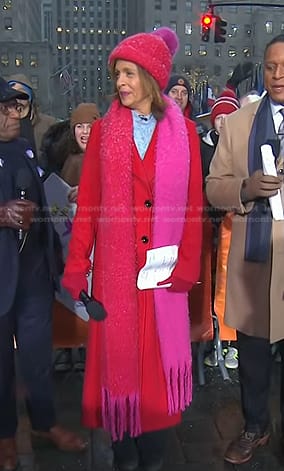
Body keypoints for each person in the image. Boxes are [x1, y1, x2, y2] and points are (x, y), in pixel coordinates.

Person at [62, 26, 203, 471]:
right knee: (119, 382)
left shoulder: (186, 137)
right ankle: (123, 457)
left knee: (157, 384)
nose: (120, 82)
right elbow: (88, 206)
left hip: (162, 280)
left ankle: (154, 459)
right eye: (117, 74)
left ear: (152, 76)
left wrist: (186, 267)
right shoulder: (104, 133)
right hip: (115, 278)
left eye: (128, 73)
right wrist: (76, 267)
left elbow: (193, 209)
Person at [0, 77, 86, 471]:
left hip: (35, 271)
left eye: (13, 106)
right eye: (2, 108)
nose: (11, 113)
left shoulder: (24, 147)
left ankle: (43, 424)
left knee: (36, 358)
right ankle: (5, 437)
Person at [206, 34, 284, 465]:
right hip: (254, 258)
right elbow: (213, 188)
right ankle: (256, 426)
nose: (278, 75)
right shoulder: (238, 124)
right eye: (271, 66)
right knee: (253, 355)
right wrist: (244, 188)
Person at [7, 74, 56, 163]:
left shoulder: (49, 124)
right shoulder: (3, 124)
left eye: (21, 92)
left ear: (29, 96)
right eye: (13, 92)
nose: (17, 96)